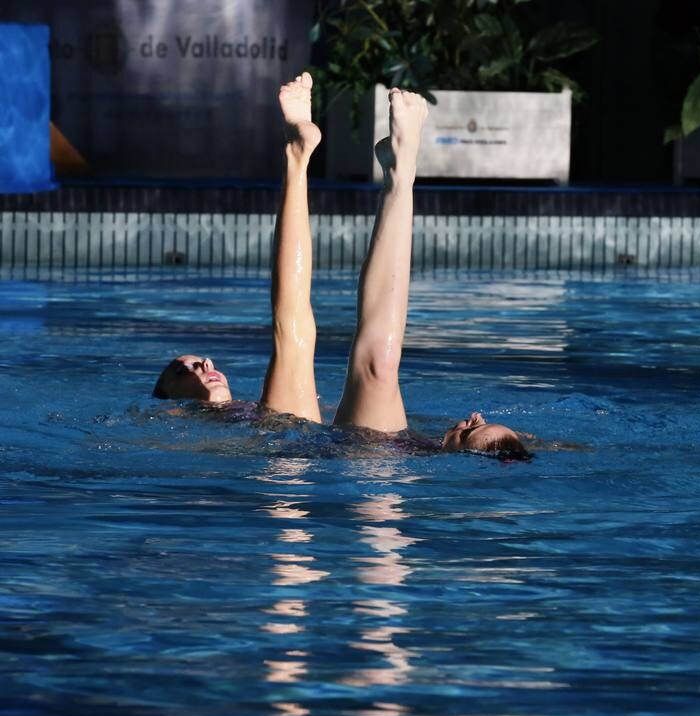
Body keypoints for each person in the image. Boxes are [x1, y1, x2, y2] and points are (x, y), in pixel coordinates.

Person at [152, 73, 528, 459]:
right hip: (359, 446)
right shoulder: (181, 424)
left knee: (293, 341)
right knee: (380, 363)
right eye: (183, 371)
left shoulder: (186, 431)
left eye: (473, 430)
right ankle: (401, 174)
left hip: (299, 449)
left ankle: (297, 157)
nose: (475, 414)